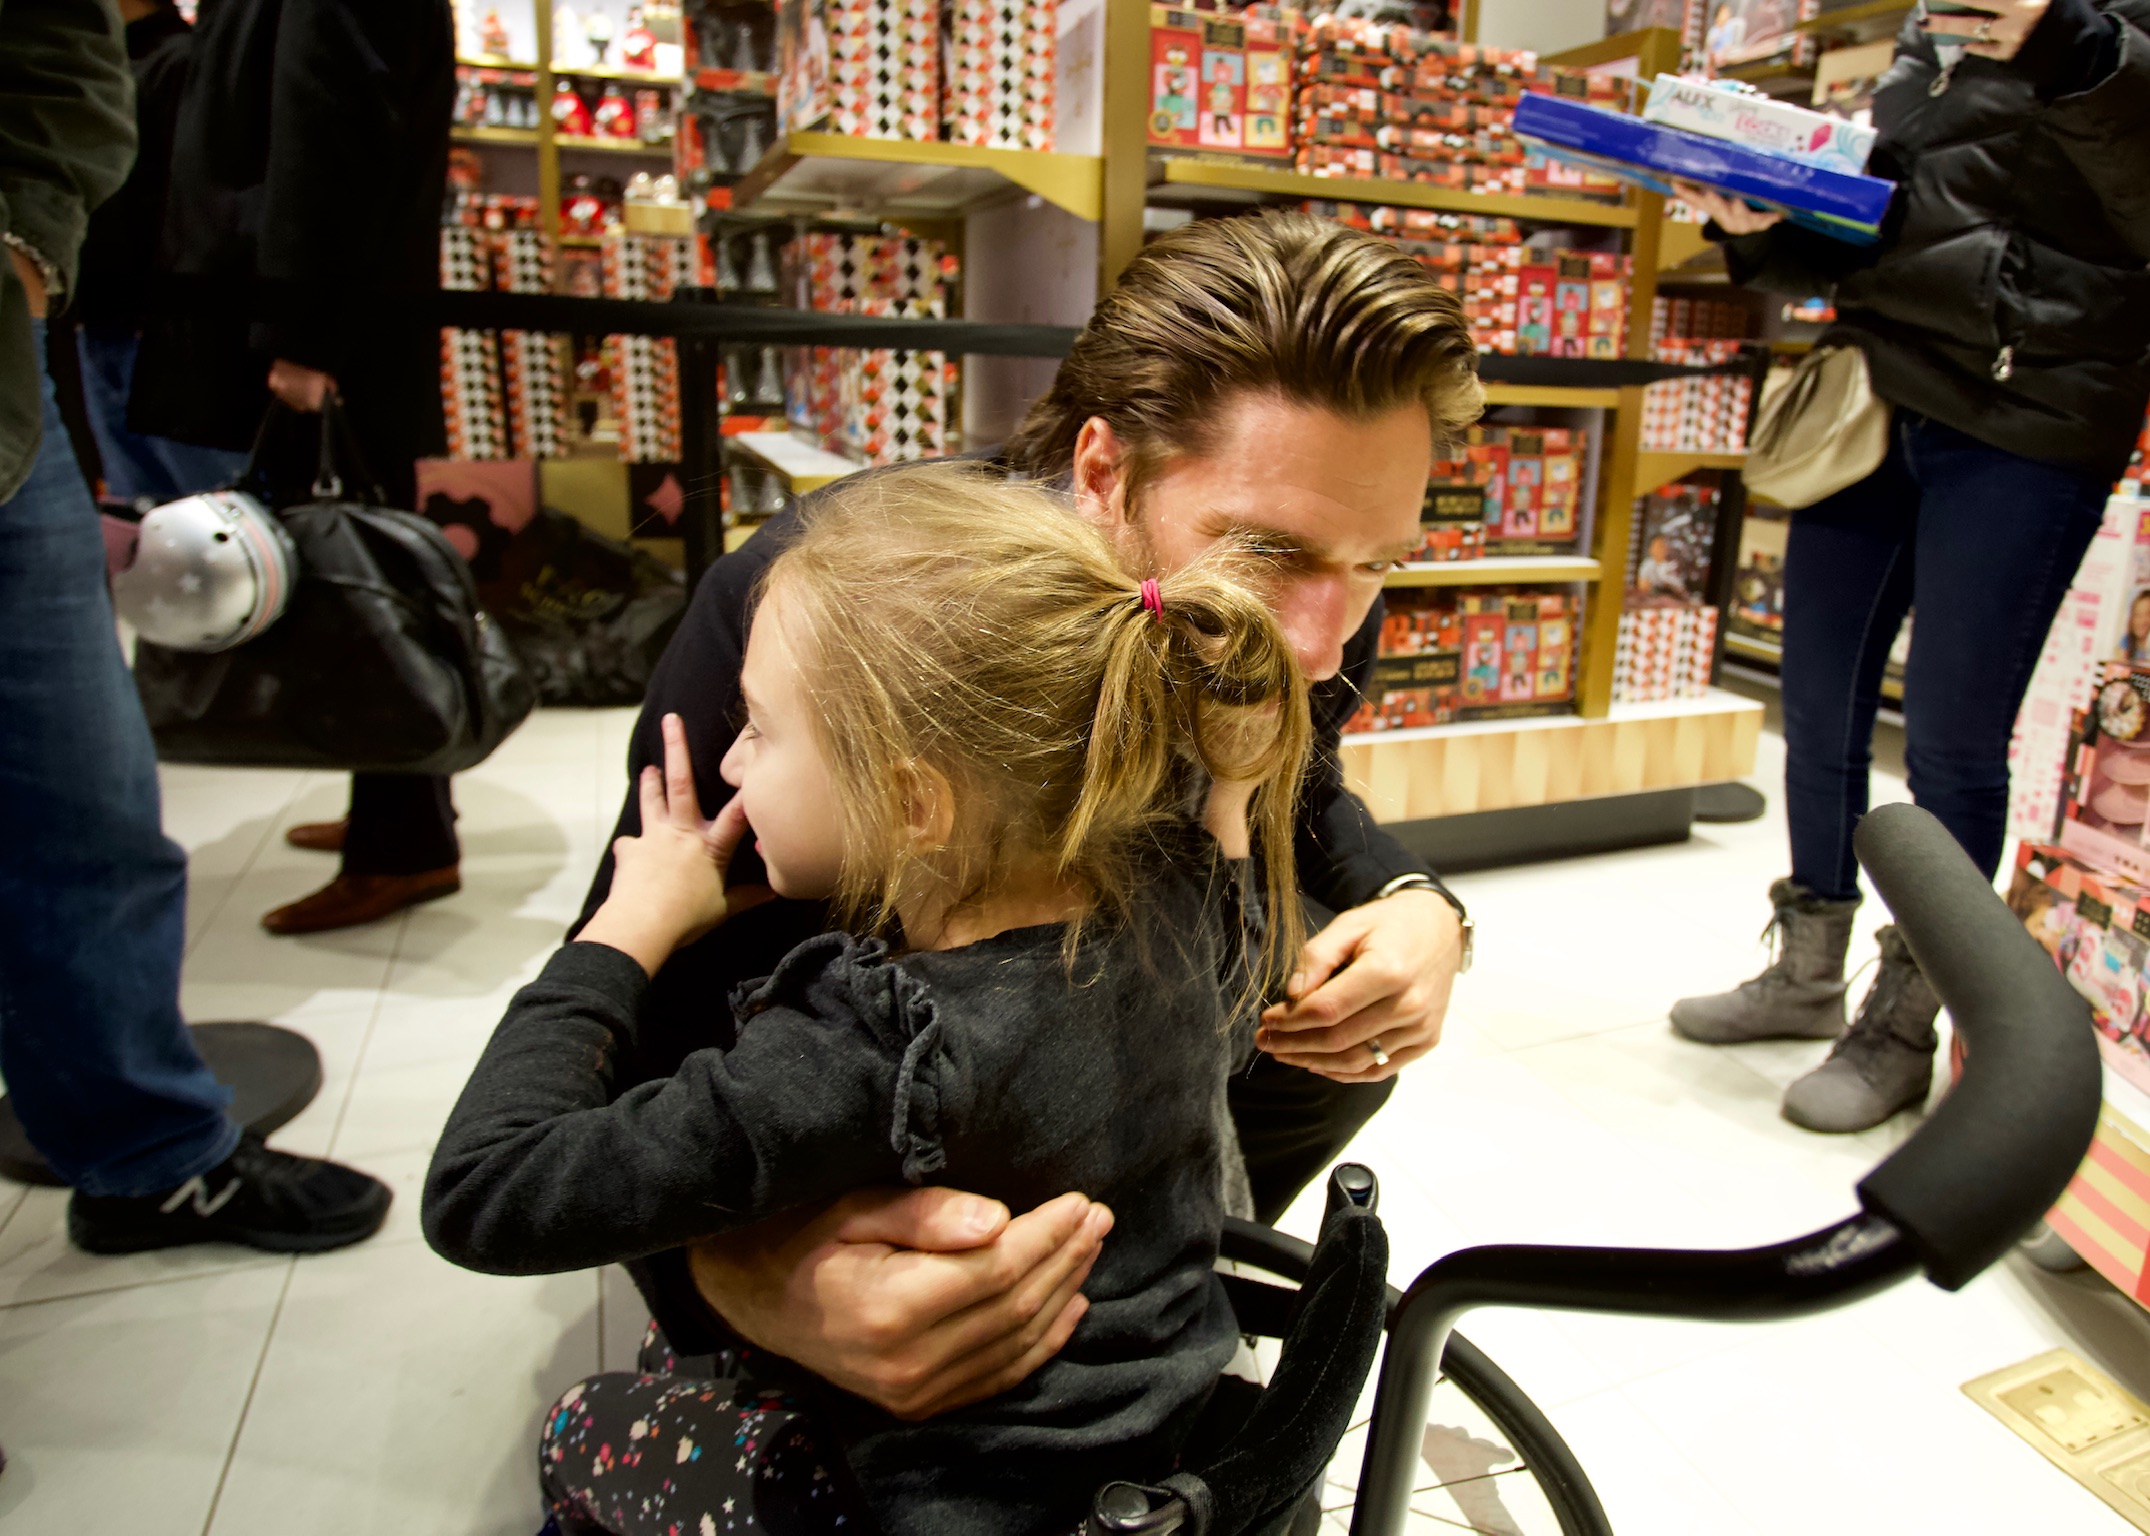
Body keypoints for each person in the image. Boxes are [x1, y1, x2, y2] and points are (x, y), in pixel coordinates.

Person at [557, 211, 1480, 1425]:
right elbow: (641, 1005)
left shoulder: (1297, 623)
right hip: (852, 1059)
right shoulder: (822, 615)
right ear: (1102, 470)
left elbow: (1306, 795)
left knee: (1320, 993)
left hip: (1094, 1016)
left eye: (1376, 569)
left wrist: (1422, 908)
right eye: (1267, 555)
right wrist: (750, 1280)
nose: (1318, 647)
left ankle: (1144, 1276)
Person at [426, 465, 1311, 1535]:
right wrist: (1227, 793)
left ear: (908, 802)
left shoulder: (872, 1043)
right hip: (1161, 1451)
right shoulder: (1170, 895)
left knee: (581, 1425)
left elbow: (483, 1191)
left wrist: (628, 926)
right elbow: (1237, 954)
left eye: (759, 725)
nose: (733, 758)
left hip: (927, 1502)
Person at [1669, 0, 2150, 1132]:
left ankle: (1902, 1018)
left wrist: (2067, 46)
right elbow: (1883, 233)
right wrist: (1755, 226)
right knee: (1817, 700)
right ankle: (1804, 968)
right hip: (1876, 392)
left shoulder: (2095, 30)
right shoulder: (1922, 42)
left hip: (2023, 415)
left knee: (1948, 737)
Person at [0, 0, 391, 1264]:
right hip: (138, 331)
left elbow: (67, 64)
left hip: (36, 376)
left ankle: (147, 1154)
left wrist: (23, 247)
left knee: (88, 801)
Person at [129, 0, 464, 936]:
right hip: (319, 318)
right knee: (360, 569)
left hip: (322, 330)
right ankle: (399, 811)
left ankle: (404, 841)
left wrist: (306, 333)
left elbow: (333, 126)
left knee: (363, 580)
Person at [70, 0, 248, 507]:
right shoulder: (119, 61)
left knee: (194, 502)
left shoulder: (177, 62)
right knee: (137, 500)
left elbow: (185, 200)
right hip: (112, 312)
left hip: (154, 320)